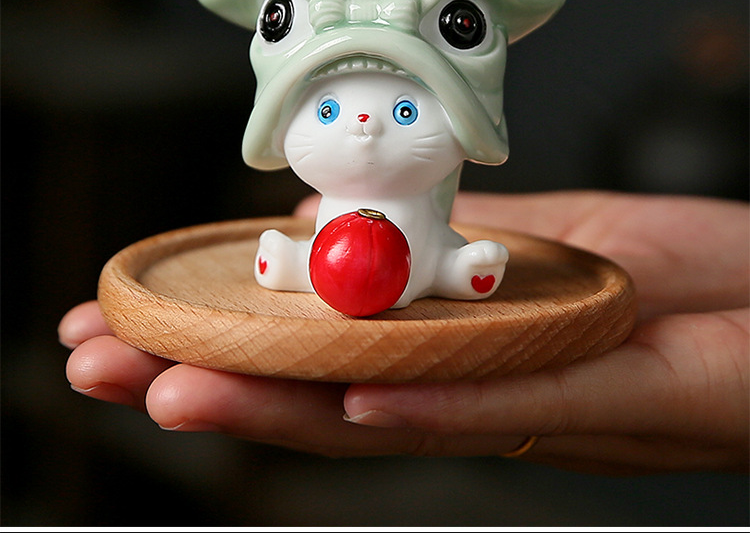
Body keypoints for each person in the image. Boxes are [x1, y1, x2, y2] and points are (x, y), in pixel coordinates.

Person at [59, 189, 748, 475]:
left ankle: (449, 270)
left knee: (431, 257)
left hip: (422, 247)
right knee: (328, 241)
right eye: (331, 114)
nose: (364, 127)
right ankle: (299, 263)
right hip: (335, 242)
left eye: (405, 113)